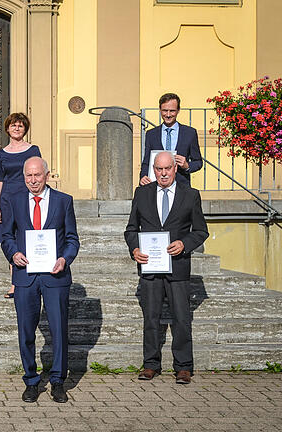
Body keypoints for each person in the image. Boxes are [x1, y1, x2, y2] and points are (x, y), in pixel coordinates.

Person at [0, 156, 79, 403]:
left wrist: (65, 259)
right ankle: (31, 381)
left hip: (55, 275)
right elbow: (6, 236)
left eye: (37, 175)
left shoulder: (63, 201)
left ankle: (57, 381)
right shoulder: (13, 200)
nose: (33, 181)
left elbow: (72, 239)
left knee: (58, 330)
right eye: (28, 176)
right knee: (26, 331)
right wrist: (14, 253)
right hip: (25, 276)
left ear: (46, 175)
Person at [125, 151, 208, 385]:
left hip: (178, 267)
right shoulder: (142, 194)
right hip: (150, 266)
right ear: (153, 169)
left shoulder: (190, 195)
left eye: (167, 169)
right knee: (151, 317)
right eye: (158, 169)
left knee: (181, 318)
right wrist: (134, 249)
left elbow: (201, 231)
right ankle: (150, 364)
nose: (163, 173)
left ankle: (183, 367)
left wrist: (185, 244)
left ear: (175, 169)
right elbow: (131, 230)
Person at [0, 113, 41, 299]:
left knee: (26, 235)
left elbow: (39, 174)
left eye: (20, 126)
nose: (17, 128)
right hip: (7, 201)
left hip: (28, 198)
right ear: (7, 128)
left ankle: (30, 278)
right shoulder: (2, 153)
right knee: (9, 239)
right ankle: (15, 283)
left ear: (25, 129)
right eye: (13, 125)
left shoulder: (33, 150)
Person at [139, 93, 203, 186]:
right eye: (165, 111)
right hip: (156, 186)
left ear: (178, 110)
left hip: (181, 187)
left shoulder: (190, 133)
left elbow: (198, 162)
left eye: (172, 111)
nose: (168, 115)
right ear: (160, 110)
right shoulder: (151, 134)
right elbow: (146, 162)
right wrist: (143, 176)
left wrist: (187, 166)